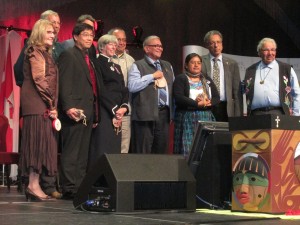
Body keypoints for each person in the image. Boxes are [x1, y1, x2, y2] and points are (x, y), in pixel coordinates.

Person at [14, 10, 63, 199]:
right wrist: (52, 105)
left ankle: (34, 185)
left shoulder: (45, 53)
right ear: (40, 32)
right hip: (37, 107)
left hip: (43, 106)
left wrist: (51, 105)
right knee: (36, 146)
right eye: (49, 32)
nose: (53, 35)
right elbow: (40, 80)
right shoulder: (35, 51)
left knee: (42, 146)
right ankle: (33, 185)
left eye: (53, 33)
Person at [58, 23, 99, 199]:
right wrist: (68, 107)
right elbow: (64, 83)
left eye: (91, 35)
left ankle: (80, 185)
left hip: (87, 110)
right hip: (74, 110)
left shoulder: (88, 56)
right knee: (72, 150)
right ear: (75, 37)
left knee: (83, 152)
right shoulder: (68, 55)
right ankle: (68, 187)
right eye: (85, 35)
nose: (89, 38)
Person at [88, 34, 129, 170]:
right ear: (102, 46)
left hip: (118, 112)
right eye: (111, 44)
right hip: (105, 111)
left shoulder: (116, 66)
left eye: (115, 44)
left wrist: (123, 107)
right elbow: (100, 89)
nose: (114, 47)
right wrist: (114, 109)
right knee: (102, 146)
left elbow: (124, 89)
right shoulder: (97, 63)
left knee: (114, 148)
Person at [128, 35, 174, 154]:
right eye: (156, 46)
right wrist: (152, 76)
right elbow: (132, 86)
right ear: (147, 48)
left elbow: (172, 88)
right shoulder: (138, 65)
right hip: (144, 115)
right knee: (142, 151)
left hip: (164, 114)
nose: (160, 48)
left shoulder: (167, 66)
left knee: (161, 152)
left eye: (161, 46)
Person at [173, 53, 220, 158]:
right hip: (187, 118)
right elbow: (179, 97)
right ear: (186, 65)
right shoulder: (181, 78)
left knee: (204, 148)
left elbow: (217, 97)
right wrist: (196, 103)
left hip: (205, 117)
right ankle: (186, 173)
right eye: (193, 62)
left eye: (199, 63)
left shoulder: (206, 80)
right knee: (187, 150)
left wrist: (208, 102)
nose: (196, 65)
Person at [244, 37, 300, 116]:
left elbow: (296, 93)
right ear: (259, 52)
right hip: (256, 115)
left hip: (279, 113)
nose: (270, 53)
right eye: (266, 50)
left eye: (273, 50)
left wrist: (296, 116)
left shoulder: (286, 69)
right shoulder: (250, 70)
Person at [14, 10, 64, 87]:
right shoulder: (32, 45)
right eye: (53, 22)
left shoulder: (60, 47)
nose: (57, 26)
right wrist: (28, 88)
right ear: (43, 24)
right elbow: (19, 69)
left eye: (58, 23)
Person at [201, 30, 242, 121]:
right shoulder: (201, 61)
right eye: (212, 43)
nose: (216, 45)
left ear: (222, 44)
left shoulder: (232, 64)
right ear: (207, 45)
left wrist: (239, 115)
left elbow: (237, 92)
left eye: (218, 42)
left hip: (226, 108)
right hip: (207, 106)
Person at [108, 27, 135, 153]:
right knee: (108, 146)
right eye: (119, 39)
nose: (122, 42)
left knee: (124, 148)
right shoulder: (102, 58)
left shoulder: (131, 61)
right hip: (107, 110)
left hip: (125, 111)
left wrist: (125, 107)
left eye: (124, 39)